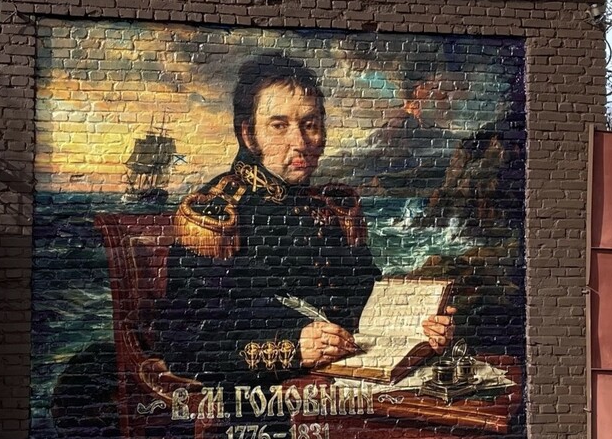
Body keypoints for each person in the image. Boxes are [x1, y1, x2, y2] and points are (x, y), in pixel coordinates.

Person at [153, 53, 454, 390]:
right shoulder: (216, 216)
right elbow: (182, 344)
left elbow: (365, 304)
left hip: (351, 382)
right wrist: (292, 350)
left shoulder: (331, 207)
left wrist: (419, 329)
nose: (301, 143)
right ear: (249, 135)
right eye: (279, 126)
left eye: (310, 124)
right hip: (262, 400)